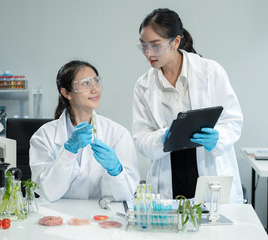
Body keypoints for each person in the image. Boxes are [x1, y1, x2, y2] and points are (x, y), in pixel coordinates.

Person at [132, 8, 243, 203]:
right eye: (143, 46)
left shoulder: (210, 71)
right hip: (169, 170)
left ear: (176, 42)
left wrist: (217, 138)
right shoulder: (143, 85)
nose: (148, 53)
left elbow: (232, 120)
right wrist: (162, 137)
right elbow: (140, 136)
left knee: (213, 229)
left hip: (207, 164)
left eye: (156, 45)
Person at [30, 60, 140, 202]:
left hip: (100, 219)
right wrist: (68, 152)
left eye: (96, 81)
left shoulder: (118, 134)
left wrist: (116, 172)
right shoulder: (43, 136)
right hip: (58, 219)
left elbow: (128, 194)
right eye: (86, 83)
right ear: (66, 93)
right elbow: (46, 193)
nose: (95, 90)